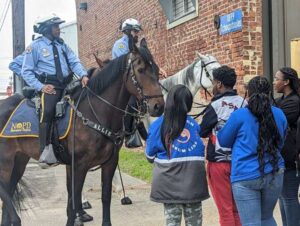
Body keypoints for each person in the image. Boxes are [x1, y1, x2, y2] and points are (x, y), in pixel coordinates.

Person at [217, 76, 287, 226]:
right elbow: (281, 142)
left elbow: (223, 141)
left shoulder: (238, 115)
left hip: (245, 175)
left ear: (248, 93)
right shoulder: (279, 114)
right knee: (267, 218)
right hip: (274, 171)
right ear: (269, 93)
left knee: (251, 222)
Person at [21, 14, 89, 166]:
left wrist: (83, 74)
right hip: (50, 87)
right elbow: (26, 71)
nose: (59, 29)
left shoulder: (62, 45)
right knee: (49, 111)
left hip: (67, 84)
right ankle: (45, 151)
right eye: (56, 26)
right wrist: (41, 87)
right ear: (46, 29)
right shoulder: (35, 47)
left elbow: (74, 61)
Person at [145, 84, 209, 226]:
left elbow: (149, 157)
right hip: (193, 185)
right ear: (189, 103)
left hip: (168, 186)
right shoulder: (195, 125)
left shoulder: (157, 126)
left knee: (172, 223)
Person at [200, 66, 245, 226]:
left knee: (225, 211)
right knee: (237, 209)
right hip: (240, 162)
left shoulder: (215, 105)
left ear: (219, 84)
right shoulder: (244, 103)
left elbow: (203, 131)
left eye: (213, 82)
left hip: (218, 163)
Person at [112, 18, 166, 148]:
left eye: (137, 32)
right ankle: (129, 134)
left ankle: (145, 135)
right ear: (128, 31)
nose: (137, 34)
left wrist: (158, 69)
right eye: (135, 31)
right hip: (123, 82)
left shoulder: (136, 47)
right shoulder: (120, 45)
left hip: (135, 80)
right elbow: (126, 66)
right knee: (131, 104)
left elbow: (145, 63)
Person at [273, 67, 300, 226]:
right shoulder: (281, 100)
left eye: (277, 78)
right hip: (282, 157)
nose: (274, 82)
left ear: (286, 81)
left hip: (290, 157)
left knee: (289, 197)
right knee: (283, 197)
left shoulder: (294, 102)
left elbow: (275, 122)